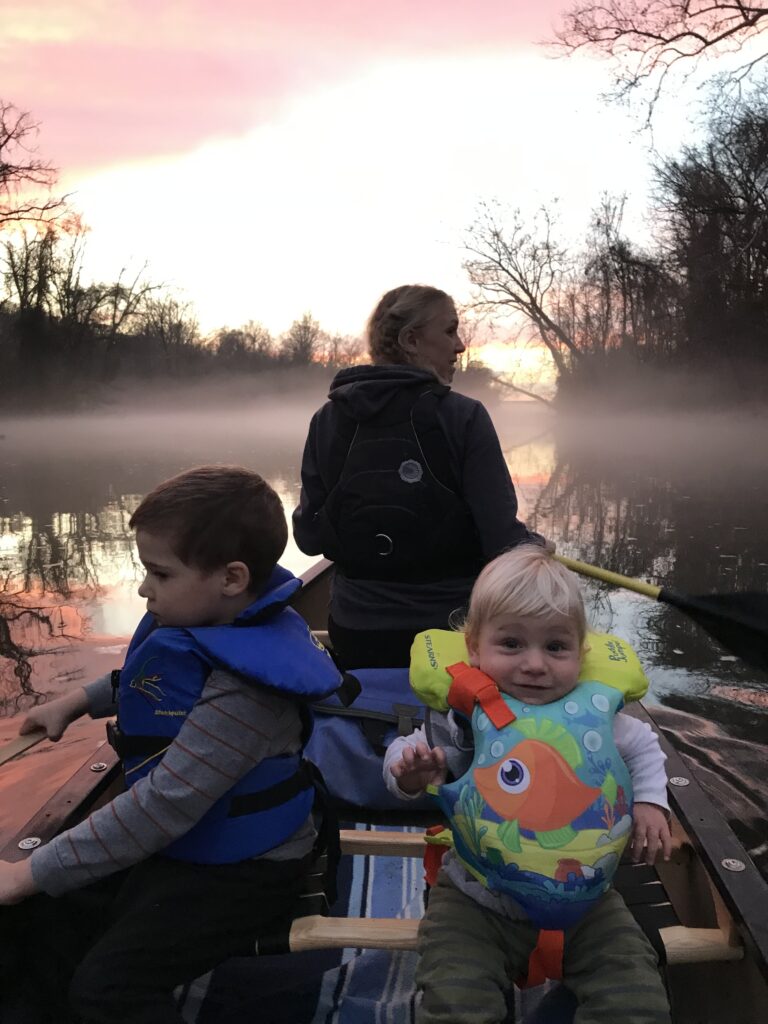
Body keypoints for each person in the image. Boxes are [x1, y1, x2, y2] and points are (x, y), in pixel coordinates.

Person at [0, 465, 342, 1024]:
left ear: (231, 579)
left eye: (159, 573)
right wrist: (78, 701)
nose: (142, 587)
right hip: (190, 845)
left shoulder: (247, 693)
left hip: (246, 871)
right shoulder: (210, 626)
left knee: (107, 989)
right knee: (49, 914)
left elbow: (163, 805)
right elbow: (159, 686)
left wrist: (27, 871)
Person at [384, 545, 672, 1024]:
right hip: (476, 897)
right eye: (512, 644)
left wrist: (650, 802)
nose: (535, 664)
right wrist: (409, 773)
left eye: (555, 647)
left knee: (636, 999)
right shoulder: (462, 718)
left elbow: (644, 748)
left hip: (587, 898)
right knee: (455, 1003)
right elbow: (404, 753)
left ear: (580, 652)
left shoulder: (600, 717)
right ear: (474, 648)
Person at [293, 284, 543, 670]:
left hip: (354, 632)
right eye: (450, 330)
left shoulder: (327, 419)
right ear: (411, 340)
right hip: (452, 636)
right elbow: (503, 542)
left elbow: (309, 539)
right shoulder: (465, 417)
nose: (459, 346)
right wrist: (538, 547)